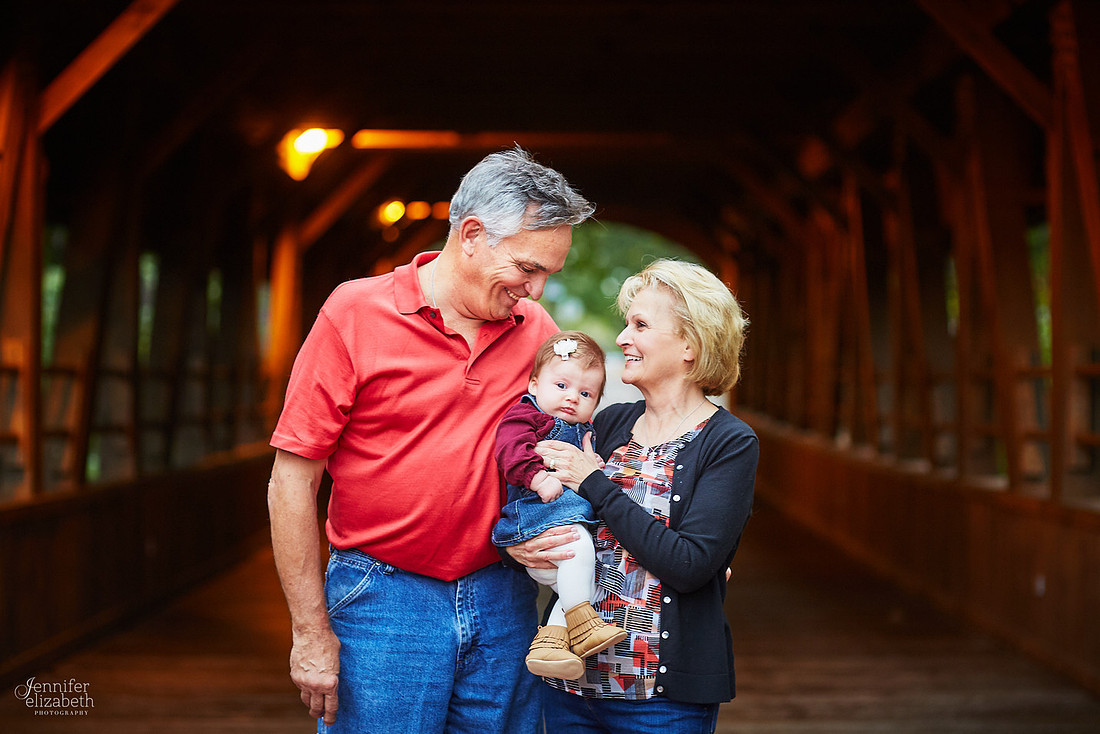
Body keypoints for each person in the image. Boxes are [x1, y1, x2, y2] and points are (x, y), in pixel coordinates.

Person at [266, 146, 594, 733]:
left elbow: (569, 453)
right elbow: (293, 479)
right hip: (381, 598)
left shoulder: (538, 333)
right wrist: (309, 632)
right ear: (471, 234)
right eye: (527, 268)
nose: (538, 291)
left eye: (549, 274)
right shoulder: (354, 312)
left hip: (502, 598)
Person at [516, 259, 758, 734]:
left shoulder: (729, 442)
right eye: (627, 323)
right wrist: (518, 545)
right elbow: (546, 509)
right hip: (571, 687)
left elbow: (689, 566)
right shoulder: (606, 425)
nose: (623, 338)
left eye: (641, 325)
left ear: (691, 344)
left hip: (661, 703)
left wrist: (594, 482)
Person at [491, 330, 627, 680]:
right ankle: (584, 627)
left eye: (585, 394)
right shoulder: (527, 416)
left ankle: (550, 645)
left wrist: (592, 465)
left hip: (562, 523)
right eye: (561, 386)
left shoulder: (585, 429)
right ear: (534, 384)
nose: (572, 399)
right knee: (577, 548)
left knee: (590, 578)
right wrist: (537, 477)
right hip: (536, 518)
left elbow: (584, 469)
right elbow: (509, 451)